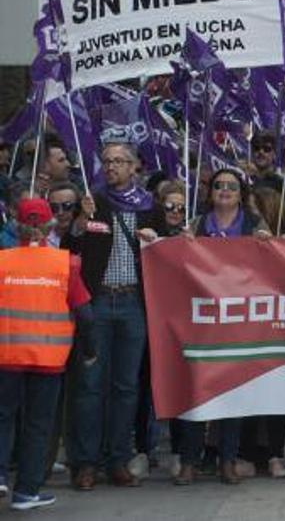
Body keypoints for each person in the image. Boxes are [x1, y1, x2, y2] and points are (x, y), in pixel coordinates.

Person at [65, 142, 157, 492]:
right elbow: (69, 251)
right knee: (89, 385)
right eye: (106, 161)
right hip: (98, 302)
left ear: (134, 167)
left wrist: (157, 238)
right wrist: (80, 221)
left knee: (126, 386)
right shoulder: (92, 200)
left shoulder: (149, 205)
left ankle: (117, 459)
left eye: (119, 161)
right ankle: (86, 462)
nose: (111, 167)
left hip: (134, 303)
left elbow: (170, 247)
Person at [174, 168, 269, 486]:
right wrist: (180, 243)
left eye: (231, 186)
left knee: (233, 392)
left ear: (241, 193)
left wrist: (266, 244)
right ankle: (189, 460)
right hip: (202, 318)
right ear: (210, 191)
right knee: (195, 390)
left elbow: (273, 261)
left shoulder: (254, 224)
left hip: (239, 317)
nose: (225, 190)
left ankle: (227, 460)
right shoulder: (197, 224)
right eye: (218, 186)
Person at [0, 198, 96, 511]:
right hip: (48, 360)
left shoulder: (2, 262)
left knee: (2, 419)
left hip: (5, 357)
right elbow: (85, 315)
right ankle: (26, 491)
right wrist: (90, 350)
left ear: (18, 227)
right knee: (38, 425)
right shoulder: (64, 264)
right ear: (49, 226)